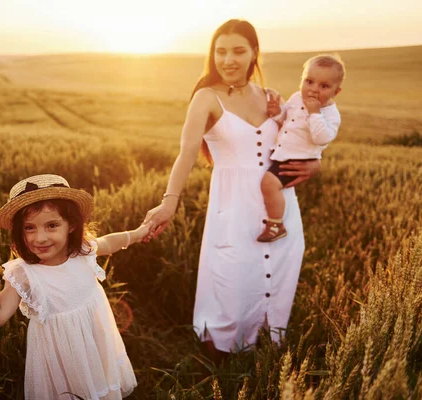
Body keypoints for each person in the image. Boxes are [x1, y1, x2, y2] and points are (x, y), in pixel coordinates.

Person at [142, 19, 321, 360]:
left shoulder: (270, 98)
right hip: (233, 208)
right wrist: (169, 202)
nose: (228, 60)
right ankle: (219, 365)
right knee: (232, 284)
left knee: (277, 280)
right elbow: (187, 153)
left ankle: (265, 359)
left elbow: (298, 142)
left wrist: (315, 165)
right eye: (220, 51)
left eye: (239, 51)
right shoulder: (206, 98)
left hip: (280, 210)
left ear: (254, 53)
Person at [0, 174, 150, 399]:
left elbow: (110, 242)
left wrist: (139, 233)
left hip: (96, 344)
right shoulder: (26, 274)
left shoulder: (82, 252)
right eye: (29, 228)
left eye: (52, 225)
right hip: (62, 364)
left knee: (100, 387)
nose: (40, 237)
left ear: (72, 225)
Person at [258, 54, 345, 242]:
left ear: (335, 92)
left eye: (324, 86)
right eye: (309, 81)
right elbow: (287, 120)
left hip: (297, 160)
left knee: (268, 184)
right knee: (269, 184)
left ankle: (275, 225)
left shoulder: (330, 114)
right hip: (282, 152)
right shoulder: (297, 98)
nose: (313, 90)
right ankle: (275, 220)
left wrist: (315, 114)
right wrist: (277, 113)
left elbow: (322, 139)